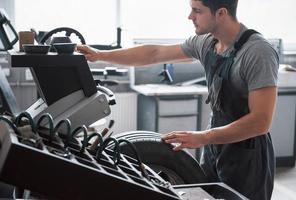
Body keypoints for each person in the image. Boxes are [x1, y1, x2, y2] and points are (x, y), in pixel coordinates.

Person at [77, 0, 279, 199]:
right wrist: (100, 55)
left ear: (221, 13)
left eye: (197, 11)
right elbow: (155, 53)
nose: (190, 16)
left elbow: (260, 122)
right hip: (214, 148)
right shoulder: (207, 43)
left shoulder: (257, 52)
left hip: (248, 155)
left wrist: (204, 137)